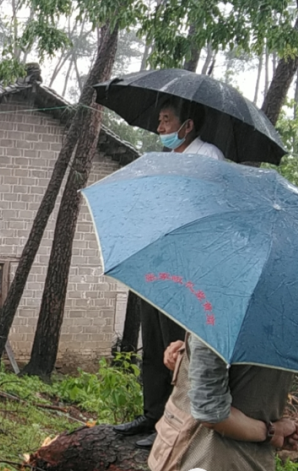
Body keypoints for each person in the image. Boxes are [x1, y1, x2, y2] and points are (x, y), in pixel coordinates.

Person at [114, 98, 226, 449]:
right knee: (152, 341)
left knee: (174, 343)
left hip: (186, 262)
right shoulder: (165, 159)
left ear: (187, 125)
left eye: (165, 120)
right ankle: (151, 416)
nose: (160, 128)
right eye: (159, 120)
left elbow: (199, 205)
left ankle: (171, 426)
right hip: (157, 256)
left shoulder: (209, 157)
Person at [146, 336, 298, 471]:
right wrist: (188, 356)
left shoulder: (219, 321)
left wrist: (271, 432)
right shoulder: (289, 324)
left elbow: (211, 412)